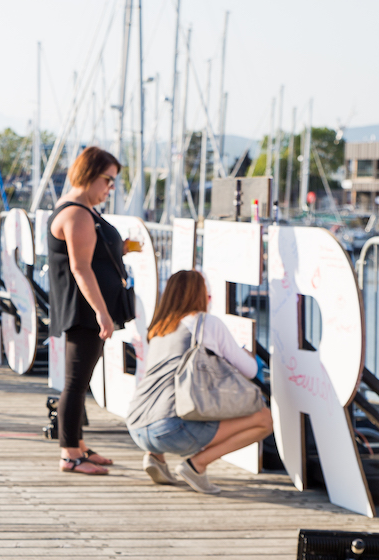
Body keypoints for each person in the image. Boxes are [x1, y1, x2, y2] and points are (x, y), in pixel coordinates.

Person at [125, 270, 273, 494]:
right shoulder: (205, 323)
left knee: (168, 397)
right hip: (169, 430)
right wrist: (247, 354)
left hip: (136, 425)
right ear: (200, 294)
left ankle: (155, 458)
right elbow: (250, 369)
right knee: (264, 419)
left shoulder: (159, 328)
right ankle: (196, 465)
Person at [47, 146, 131, 474]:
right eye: (107, 180)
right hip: (84, 310)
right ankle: (70, 453)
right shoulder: (77, 213)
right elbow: (80, 267)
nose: (110, 188)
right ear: (90, 175)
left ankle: (78, 443)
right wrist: (102, 312)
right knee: (75, 381)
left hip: (87, 307)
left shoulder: (83, 210)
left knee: (81, 379)